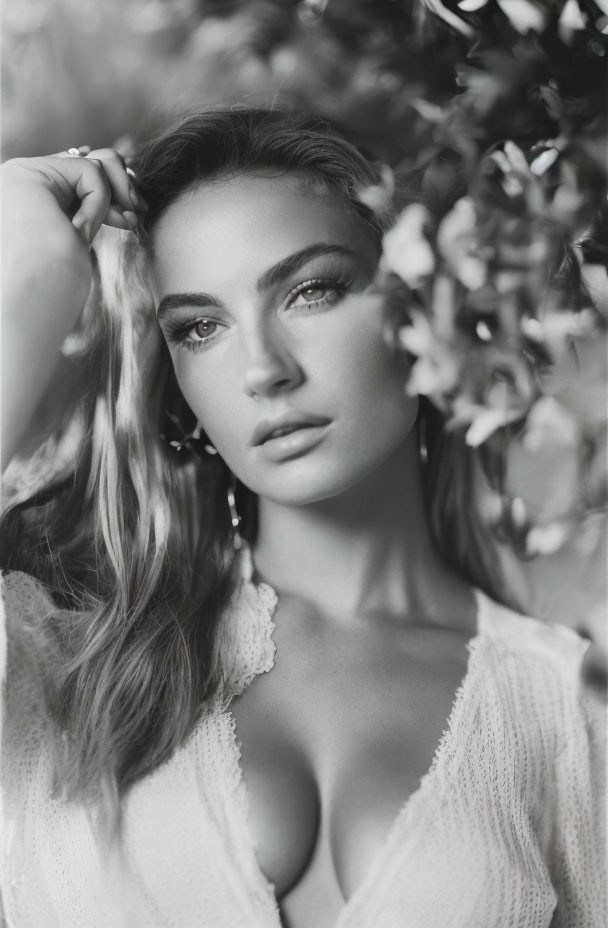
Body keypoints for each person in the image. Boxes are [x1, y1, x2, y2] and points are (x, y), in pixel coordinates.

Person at [0, 108, 605, 928]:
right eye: (201, 327)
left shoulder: (563, 708)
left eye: (311, 290)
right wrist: (26, 265)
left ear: (421, 309)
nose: (262, 369)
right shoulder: (57, 662)